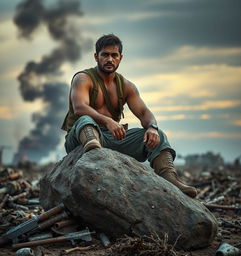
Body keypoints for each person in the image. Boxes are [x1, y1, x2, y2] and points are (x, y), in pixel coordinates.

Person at [61, 34, 197, 198]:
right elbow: (80, 107)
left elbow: (144, 113)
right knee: (85, 119)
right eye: (105, 54)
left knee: (158, 135)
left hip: (110, 139)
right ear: (96, 56)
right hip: (80, 138)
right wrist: (108, 121)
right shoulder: (83, 78)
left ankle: (170, 179)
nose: (109, 59)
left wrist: (152, 128)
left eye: (114, 55)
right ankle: (94, 151)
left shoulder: (126, 86)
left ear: (120, 58)